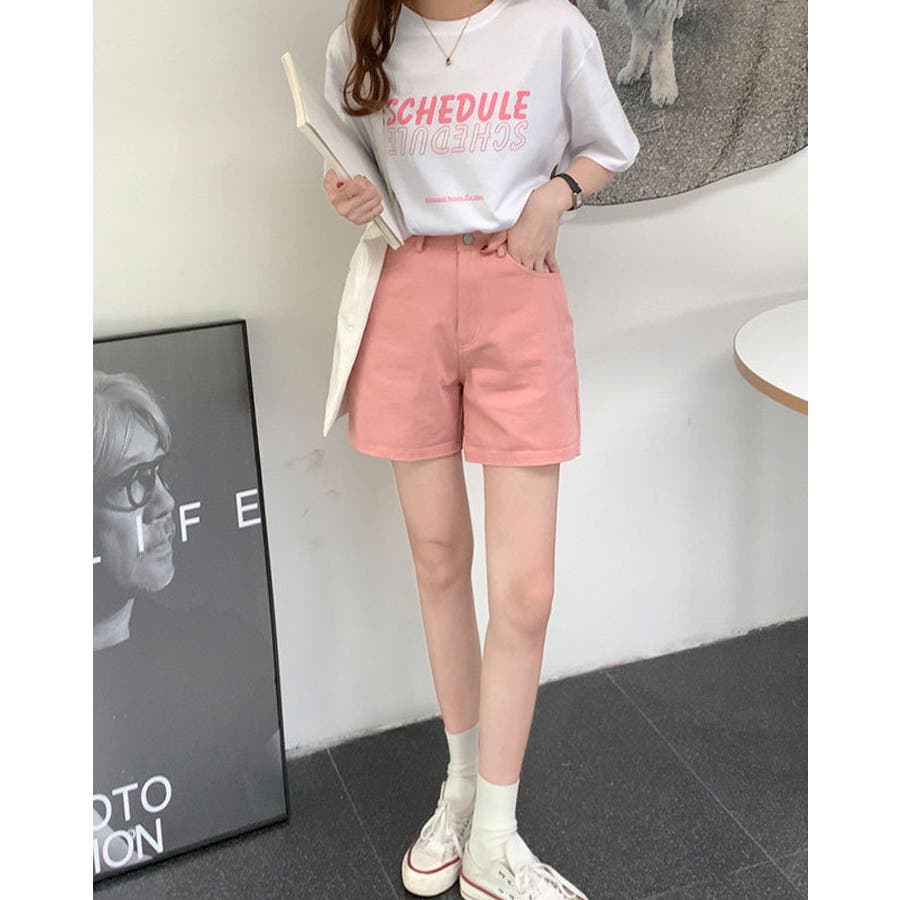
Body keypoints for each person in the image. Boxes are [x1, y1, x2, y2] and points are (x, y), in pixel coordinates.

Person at [321, 2, 640, 898]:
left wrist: (554, 196)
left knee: (525, 589)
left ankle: (496, 839)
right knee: (436, 559)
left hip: (516, 283)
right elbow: (356, 168)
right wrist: (352, 195)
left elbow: (610, 143)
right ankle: (459, 792)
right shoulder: (361, 38)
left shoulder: (549, 26)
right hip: (406, 290)